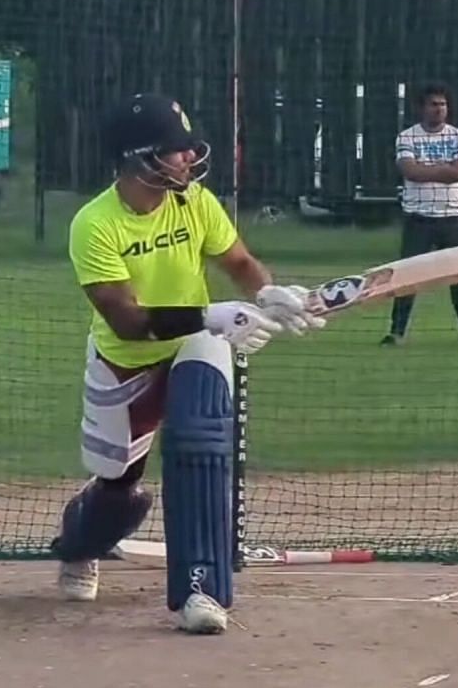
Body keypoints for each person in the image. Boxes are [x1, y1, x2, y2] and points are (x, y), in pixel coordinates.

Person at [52, 93, 324, 634]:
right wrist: (211, 312)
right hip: (125, 360)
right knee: (117, 487)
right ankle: (80, 543)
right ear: (137, 157)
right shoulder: (94, 224)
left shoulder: (194, 201)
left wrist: (269, 293)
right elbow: (126, 320)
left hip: (194, 345)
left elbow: (240, 261)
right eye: (174, 151)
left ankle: (201, 589)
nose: (186, 160)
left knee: (200, 443)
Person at [383, 81, 458, 346]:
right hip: (418, 217)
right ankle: (396, 332)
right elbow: (409, 171)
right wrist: (442, 170)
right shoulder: (407, 137)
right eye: (433, 104)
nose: (439, 109)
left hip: (451, 217)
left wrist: (427, 169)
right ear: (422, 108)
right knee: (407, 276)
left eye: (443, 105)